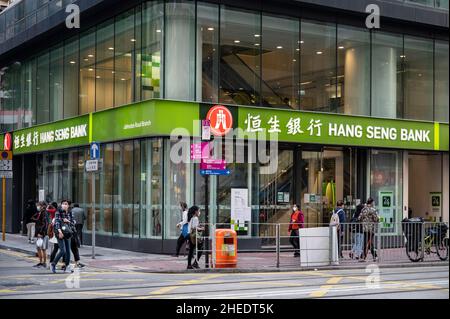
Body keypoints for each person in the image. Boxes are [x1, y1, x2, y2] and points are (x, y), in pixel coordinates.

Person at [50, 200, 74, 273]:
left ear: (68, 205)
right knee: (63, 250)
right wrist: (60, 232)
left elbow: (73, 222)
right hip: (60, 233)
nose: (64, 205)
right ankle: (53, 264)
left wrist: (68, 221)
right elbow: (57, 222)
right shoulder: (58, 212)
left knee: (68, 251)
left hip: (68, 233)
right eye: (63, 204)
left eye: (66, 204)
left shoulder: (70, 212)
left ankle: (67, 266)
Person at [358, 197, 379, 262]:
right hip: (371, 229)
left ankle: (363, 256)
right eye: (373, 202)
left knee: (366, 242)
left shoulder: (363, 209)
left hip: (364, 229)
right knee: (370, 243)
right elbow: (376, 219)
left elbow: (359, 218)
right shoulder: (373, 210)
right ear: (372, 202)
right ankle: (373, 256)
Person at [33, 201, 50, 268]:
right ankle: (40, 262)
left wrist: (41, 233)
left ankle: (44, 263)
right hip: (39, 234)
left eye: (39, 205)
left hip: (43, 234)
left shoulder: (44, 213)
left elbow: (45, 224)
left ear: (43, 206)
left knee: (43, 249)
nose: (38, 207)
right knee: (38, 248)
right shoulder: (40, 212)